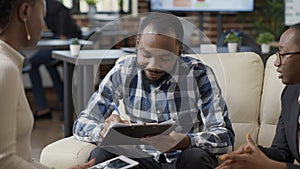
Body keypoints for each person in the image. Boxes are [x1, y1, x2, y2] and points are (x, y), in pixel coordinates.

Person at [73, 13, 235, 169]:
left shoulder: (199, 74)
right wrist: (104, 131)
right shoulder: (123, 70)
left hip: (183, 158)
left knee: (195, 157)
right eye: (146, 55)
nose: (153, 65)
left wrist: (185, 141)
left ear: (179, 52)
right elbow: (83, 122)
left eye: (164, 58)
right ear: (138, 44)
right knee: (102, 153)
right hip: (139, 159)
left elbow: (225, 136)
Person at [0, 0, 94, 168]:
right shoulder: (5, 68)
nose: (43, 25)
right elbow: (4, 162)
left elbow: (22, 159)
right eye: (42, 16)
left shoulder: (9, 63)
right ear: (25, 12)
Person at [216, 23, 300, 169]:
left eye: (283, 54)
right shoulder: (290, 94)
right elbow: (282, 153)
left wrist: (269, 166)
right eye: (277, 54)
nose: (276, 62)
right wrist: (252, 154)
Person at [28, 0, 81, 119]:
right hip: (63, 41)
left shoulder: (51, 6)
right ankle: (63, 104)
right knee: (49, 65)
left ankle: (44, 107)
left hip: (69, 44)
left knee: (32, 63)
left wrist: (61, 34)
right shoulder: (47, 6)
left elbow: (63, 33)